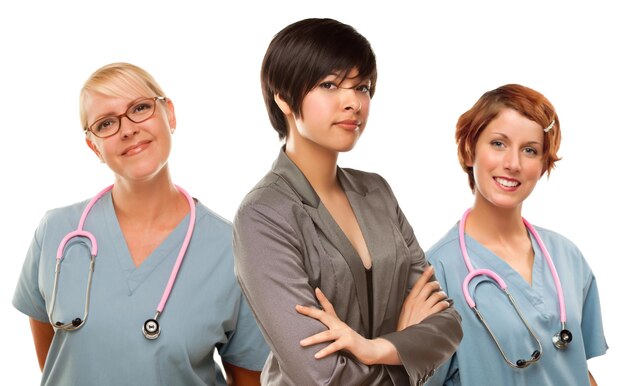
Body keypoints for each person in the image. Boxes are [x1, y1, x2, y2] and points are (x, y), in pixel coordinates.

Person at [233, 18, 462, 386]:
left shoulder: (377, 193)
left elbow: (448, 324)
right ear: (283, 97)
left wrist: (374, 348)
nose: (353, 102)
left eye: (363, 87)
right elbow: (319, 375)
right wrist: (406, 351)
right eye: (330, 85)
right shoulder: (263, 214)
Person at [12, 62, 268, 386]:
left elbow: (248, 379)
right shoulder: (56, 233)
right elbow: (57, 362)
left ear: (169, 115)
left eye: (140, 108)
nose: (128, 129)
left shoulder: (232, 250)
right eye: (106, 123)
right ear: (94, 147)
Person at [425, 84, 608, 385]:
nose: (513, 164)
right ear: (470, 150)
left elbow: (576, 367)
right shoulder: (438, 271)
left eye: (530, 150)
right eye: (498, 144)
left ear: (543, 164)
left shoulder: (567, 256)